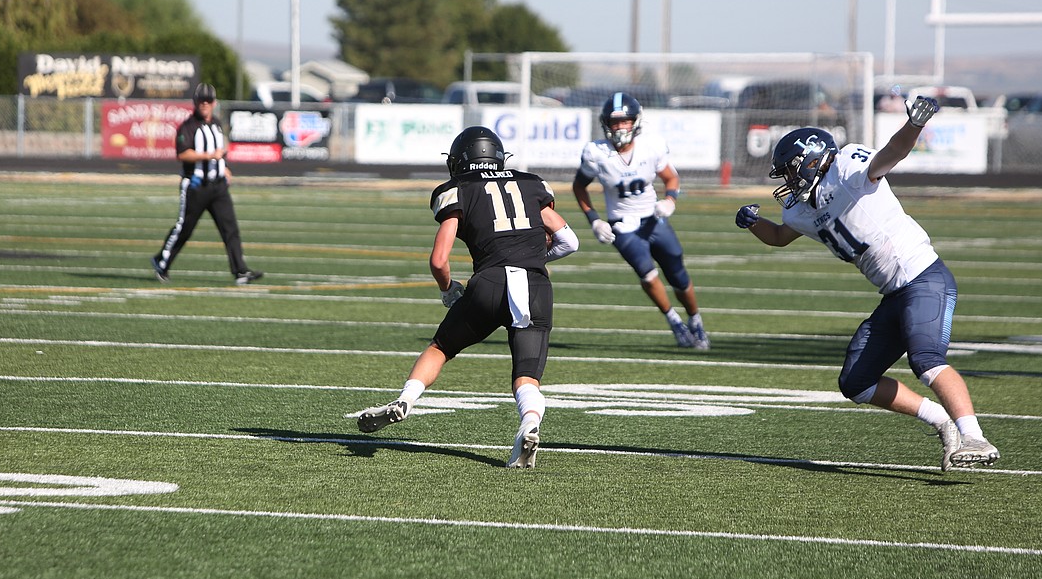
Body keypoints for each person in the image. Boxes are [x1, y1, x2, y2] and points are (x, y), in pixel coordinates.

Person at [734, 96, 1000, 471]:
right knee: (856, 381)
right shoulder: (801, 209)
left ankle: (974, 436)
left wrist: (914, 125)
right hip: (894, 292)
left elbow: (891, 153)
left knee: (925, 360)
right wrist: (753, 223)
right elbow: (779, 236)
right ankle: (941, 421)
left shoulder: (846, 167)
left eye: (792, 172)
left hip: (923, 275)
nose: (789, 183)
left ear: (811, 160)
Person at [355, 125, 579, 469]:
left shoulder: (458, 189)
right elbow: (569, 241)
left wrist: (448, 290)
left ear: (459, 161)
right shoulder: (531, 183)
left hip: (489, 284)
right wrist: (532, 258)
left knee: (441, 348)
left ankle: (406, 400)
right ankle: (529, 423)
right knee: (526, 376)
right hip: (535, 286)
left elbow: (439, 260)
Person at [572, 92, 710, 349]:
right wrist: (594, 220)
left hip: (653, 219)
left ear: (635, 121)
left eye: (625, 121)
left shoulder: (651, 145)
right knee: (647, 275)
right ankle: (674, 322)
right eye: (615, 122)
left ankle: (696, 320)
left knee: (678, 275)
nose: (620, 127)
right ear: (606, 124)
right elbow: (579, 187)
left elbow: (671, 178)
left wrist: (670, 200)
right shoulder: (596, 153)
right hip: (622, 224)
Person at [151, 82, 263, 286]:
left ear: (214, 103)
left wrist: (224, 167)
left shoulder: (217, 124)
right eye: (201, 101)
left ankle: (240, 271)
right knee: (184, 228)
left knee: (230, 228)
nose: (204, 104)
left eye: (208, 101)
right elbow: (182, 153)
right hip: (195, 186)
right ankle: (162, 261)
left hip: (218, 186)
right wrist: (209, 156)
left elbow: (220, 151)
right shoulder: (188, 126)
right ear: (195, 103)